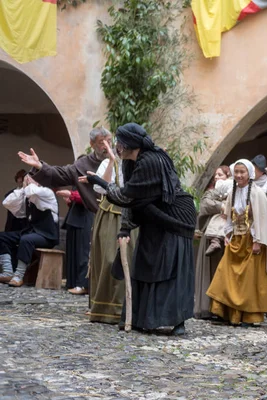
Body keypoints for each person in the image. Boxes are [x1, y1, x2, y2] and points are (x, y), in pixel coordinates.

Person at [84, 123, 196, 335]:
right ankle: (140, 317)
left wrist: (100, 182)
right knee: (145, 264)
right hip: (151, 216)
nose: (117, 146)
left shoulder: (151, 160)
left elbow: (126, 196)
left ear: (130, 144)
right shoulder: (129, 162)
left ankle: (177, 320)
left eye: (119, 142)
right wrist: (125, 227)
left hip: (175, 219)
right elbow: (132, 200)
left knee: (170, 268)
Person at [206, 159, 267, 326]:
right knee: (224, 274)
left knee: (248, 280)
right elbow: (228, 217)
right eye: (237, 172)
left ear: (250, 174)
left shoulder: (257, 193)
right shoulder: (233, 192)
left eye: (243, 172)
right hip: (235, 240)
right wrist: (227, 234)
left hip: (251, 241)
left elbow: (261, 220)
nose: (239, 175)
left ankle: (249, 316)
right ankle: (224, 312)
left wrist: (257, 241)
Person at [80, 142, 137, 324]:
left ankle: (126, 308)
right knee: (107, 259)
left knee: (128, 258)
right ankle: (104, 308)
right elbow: (99, 187)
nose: (120, 151)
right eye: (118, 147)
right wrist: (112, 161)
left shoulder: (138, 164)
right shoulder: (108, 163)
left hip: (131, 216)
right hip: (109, 215)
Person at [18, 127, 112, 214]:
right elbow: (60, 174)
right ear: (92, 144)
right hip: (98, 217)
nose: (107, 146)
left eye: (109, 141)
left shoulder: (119, 159)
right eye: (102, 142)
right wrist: (39, 166)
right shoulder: (82, 165)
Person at [0, 174, 59, 286]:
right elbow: (7, 203)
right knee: (2, 237)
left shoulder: (46, 192)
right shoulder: (27, 197)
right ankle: (7, 271)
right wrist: (22, 188)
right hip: (31, 231)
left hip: (47, 236)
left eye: (31, 178)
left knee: (26, 239)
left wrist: (30, 183)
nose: (28, 181)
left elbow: (32, 191)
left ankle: (18, 276)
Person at [194, 165, 232, 320]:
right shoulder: (211, 193)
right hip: (210, 236)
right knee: (208, 270)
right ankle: (206, 307)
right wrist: (222, 206)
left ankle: (221, 309)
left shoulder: (231, 191)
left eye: (220, 175)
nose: (217, 177)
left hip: (227, 237)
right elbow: (205, 205)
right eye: (215, 175)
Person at [57, 186, 94, 295]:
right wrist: (70, 199)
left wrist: (71, 195)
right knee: (73, 253)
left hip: (85, 218)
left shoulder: (93, 175)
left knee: (83, 253)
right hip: (75, 218)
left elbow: (90, 197)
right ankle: (72, 282)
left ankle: (82, 284)